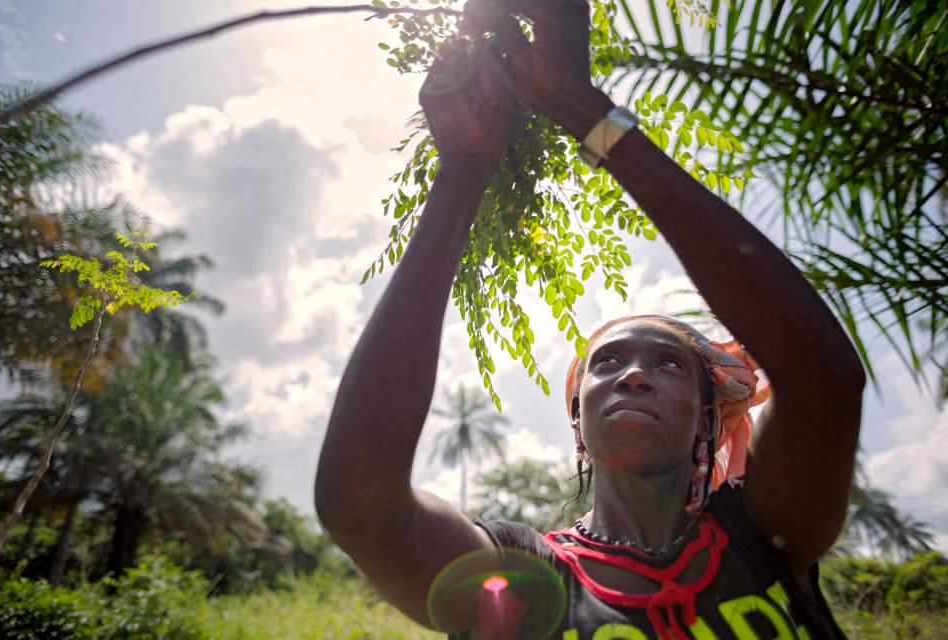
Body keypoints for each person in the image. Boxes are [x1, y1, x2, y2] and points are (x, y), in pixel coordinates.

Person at [315, 0, 865, 637]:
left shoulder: (765, 534)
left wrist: (591, 115)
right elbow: (359, 505)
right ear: (577, 419)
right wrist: (464, 170)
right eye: (608, 363)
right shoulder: (522, 578)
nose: (633, 376)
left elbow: (826, 381)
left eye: (667, 363)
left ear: (708, 417)